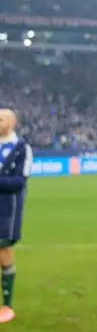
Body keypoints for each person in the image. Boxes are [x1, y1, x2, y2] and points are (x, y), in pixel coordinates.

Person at [0, 106, 30, 323]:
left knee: (3, 250)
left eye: (0, 120)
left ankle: (7, 306)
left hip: (7, 208)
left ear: (12, 123)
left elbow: (19, 181)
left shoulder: (21, 148)